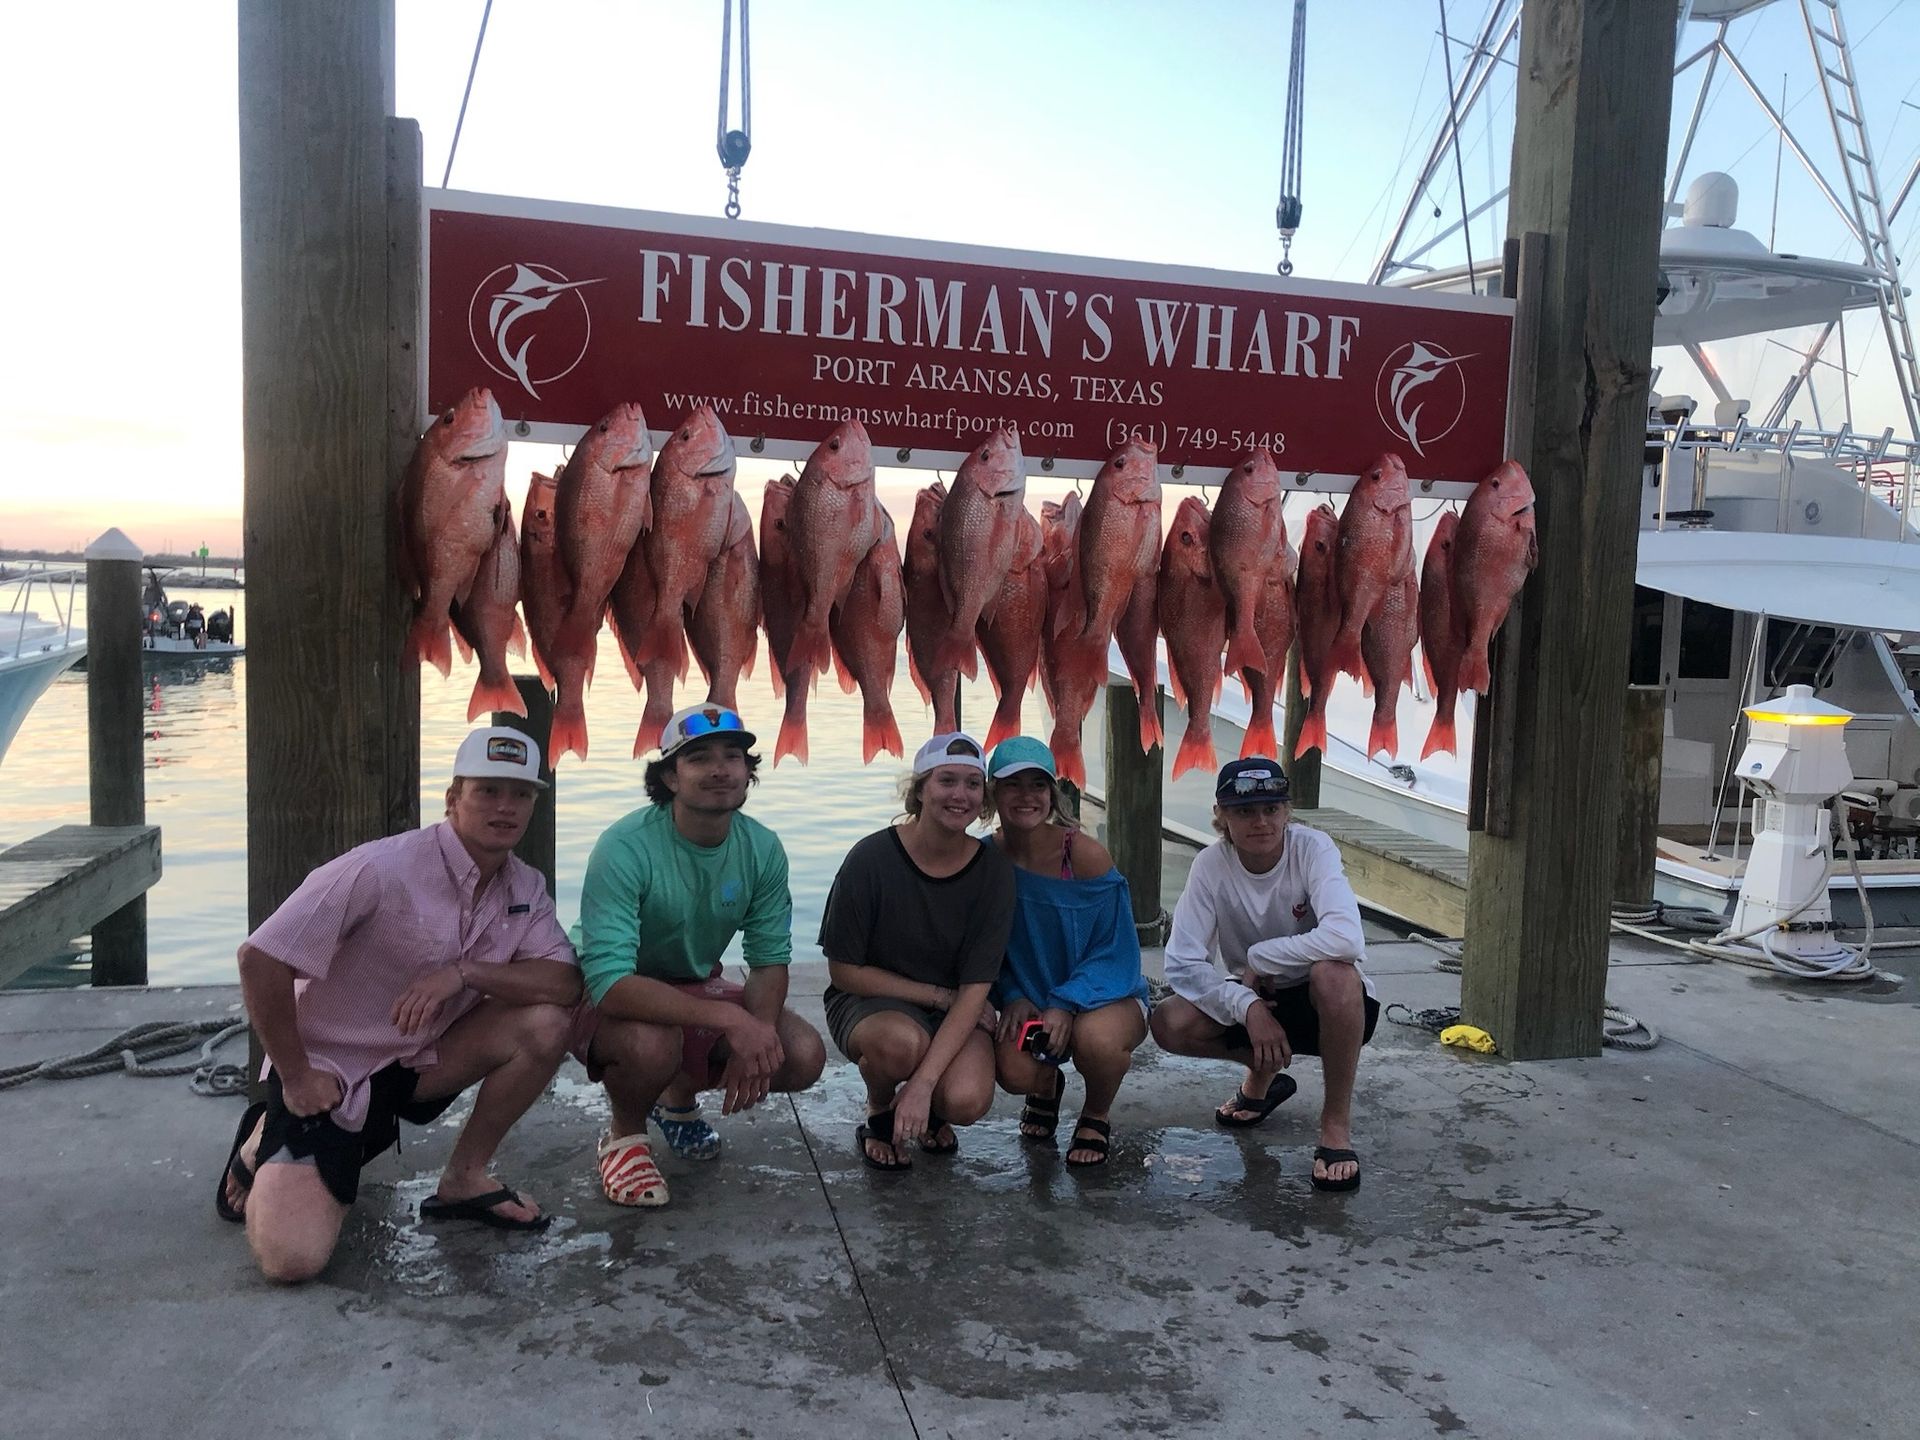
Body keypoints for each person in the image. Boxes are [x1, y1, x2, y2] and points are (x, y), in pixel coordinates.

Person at [215, 727, 583, 1283]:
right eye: (488, 791)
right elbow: (260, 958)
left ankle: (465, 1176)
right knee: (293, 1261)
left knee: (547, 1022)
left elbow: (563, 984)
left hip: (424, 1059)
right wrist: (295, 1075)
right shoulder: (377, 869)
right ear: (453, 798)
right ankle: (266, 1133)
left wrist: (462, 973)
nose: (506, 807)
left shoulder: (524, 887)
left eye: (522, 794)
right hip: (332, 1074)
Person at [571, 704, 825, 1208]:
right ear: (669, 776)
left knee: (799, 1053)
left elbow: (769, 957)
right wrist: (730, 1018)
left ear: (747, 772)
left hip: (689, 982)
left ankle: (675, 1098)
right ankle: (623, 1135)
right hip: (610, 991)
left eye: (733, 756)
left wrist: (760, 1029)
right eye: (699, 758)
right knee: (650, 1044)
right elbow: (610, 981)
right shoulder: (624, 846)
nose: (719, 769)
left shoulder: (763, 847)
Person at [1149, 759, 1379, 1192]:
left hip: (1322, 1000)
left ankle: (1334, 1127)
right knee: (1167, 1021)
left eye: (1272, 809)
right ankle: (1263, 1074)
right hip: (1257, 997)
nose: (1261, 821)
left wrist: (1262, 955)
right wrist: (1247, 1005)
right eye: (1244, 812)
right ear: (1221, 817)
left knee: (1337, 975)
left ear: (1287, 812)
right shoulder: (1209, 866)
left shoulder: (1314, 848)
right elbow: (1181, 963)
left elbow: (1347, 939)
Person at [820, 732, 1014, 1170]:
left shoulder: (993, 871)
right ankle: (880, 1108)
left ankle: (928, 1111)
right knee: (901, 1044)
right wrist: (936, 996)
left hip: (958, 1007)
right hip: (871, 1002)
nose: (959, 795)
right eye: (946, 780)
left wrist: (925, 1086)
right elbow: (843, 971)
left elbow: (976, 987)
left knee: (966, 1099)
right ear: (921, 789)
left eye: (972, 784)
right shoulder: (870, 858)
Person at [983, 736, 1149, 1168]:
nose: (1026, 796)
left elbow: (1117, 951)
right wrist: (1013, 994)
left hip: (1106, 995)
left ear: (1052, 794)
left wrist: (1065, 1002)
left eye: (1037, 785)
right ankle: (1045, 1086)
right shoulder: (985, 858)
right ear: (992, 793)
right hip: (1030, 997)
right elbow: (985, 948)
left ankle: (1096, 1114)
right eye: (1012, 784)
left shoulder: (1084, 855)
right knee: (1014, 1071)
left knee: (1096, 1040)